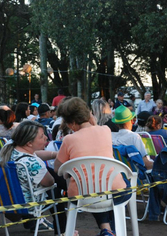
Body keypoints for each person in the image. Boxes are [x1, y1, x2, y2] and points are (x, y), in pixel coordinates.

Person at [54, 97, 127, 236]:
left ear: (73, 123)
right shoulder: (105, 130)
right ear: (89, 115)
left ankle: (107, 230)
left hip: (82, 195)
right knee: (110, 186)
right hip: (114, 191)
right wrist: (92, 121)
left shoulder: (69, 140)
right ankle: (108, 230)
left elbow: (57, 169)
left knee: (93, 188)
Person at [0, 120, 66, 234]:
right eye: (41, 136)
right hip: (28, 203)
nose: (46, 138)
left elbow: (34, 154)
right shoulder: (33, 163)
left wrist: (55, 155)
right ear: (29, 143)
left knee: (53, 176)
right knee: (56, 188)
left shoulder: (9, 150)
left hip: (8, 198)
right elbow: (49, 182)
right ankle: (63, 231)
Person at [111, 105, 153, 169]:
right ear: (131, 121)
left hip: (120, 173)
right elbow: (146, 163)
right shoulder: (134, 137)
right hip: (137, 174)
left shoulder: (111, 136)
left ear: (116, 124)